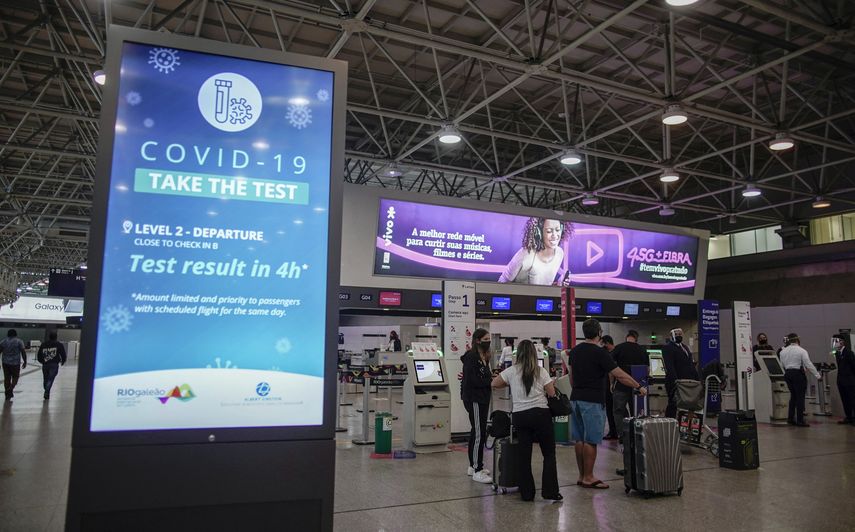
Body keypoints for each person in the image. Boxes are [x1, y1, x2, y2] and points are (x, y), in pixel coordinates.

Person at [567, 319, 647, 489]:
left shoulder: (574, 351)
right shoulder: (600, 353)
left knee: (580, 440)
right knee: (591, 440)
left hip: (575, 398)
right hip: (593, 400)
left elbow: (571, 378)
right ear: (599, 333)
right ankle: (589, 476)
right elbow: (619, 374)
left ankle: (582, 476)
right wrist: (638, 386)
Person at [491, 340, 561, 502]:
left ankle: (527, 493)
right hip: (541, 415)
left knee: (524, 455)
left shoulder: (511, 371)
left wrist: (508, 382)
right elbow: (551, 393)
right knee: (549, 454)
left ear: (518, 354)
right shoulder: (541, 371)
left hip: (521, 416)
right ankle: (550, 492)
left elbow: (494, 384)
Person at [460, 328, 493, 484]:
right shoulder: (472, 357)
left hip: (483, 398)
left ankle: (473, 466)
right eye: (486, 339)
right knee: (479, 433)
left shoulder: (484, 357)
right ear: (478, 340)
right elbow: (473, 381)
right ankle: (477, 469)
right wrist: (491, 381)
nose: (488, 341)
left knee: (477, 431)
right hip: (475, 399)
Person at [498, 217, 572, 285]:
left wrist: (558, 284)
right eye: (549, 231)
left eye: (558, 230)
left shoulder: (559, 254)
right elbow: (502, 281)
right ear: (539, 233)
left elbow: (543, 287)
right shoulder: (527, 253)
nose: (555, 235)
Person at [611, 330, 649, 442]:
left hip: (621, 385)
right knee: (637, 411)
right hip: (638, 386)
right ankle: (637, 434)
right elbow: (647, 369)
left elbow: (611, 368)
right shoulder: (642, 350)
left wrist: (611, 383)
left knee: (618, 410)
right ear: (636, 338)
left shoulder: (618, 348)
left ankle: (622, 436)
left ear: (626, 337)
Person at [779, 333, 820, 427]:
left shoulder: (783, 352)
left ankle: (790, 418)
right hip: (798, 374)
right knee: (800, 397)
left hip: (788, 374)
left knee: (793, 396)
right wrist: (817, 375)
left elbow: (782, 365)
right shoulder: (801, 350)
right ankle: (800, 420)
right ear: (797, 340)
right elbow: (808, 364)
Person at [662, 327, 699, 418]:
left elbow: (690, 364)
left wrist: (696, 379)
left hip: (688, 380)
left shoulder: (685, 347)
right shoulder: (668, 348)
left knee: (688, 404)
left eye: (680, 334)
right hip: (676, 381)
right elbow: (669, 366)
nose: (679, 336)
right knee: (673, 403)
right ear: (671, 336)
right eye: (677, 334)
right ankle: (670, 421)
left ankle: (685, 423)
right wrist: (676, 381)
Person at [832, 334, 855, 426]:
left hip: (849, 380)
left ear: (842, 342)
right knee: (845, 400)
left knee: (852, 400)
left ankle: (854, 418)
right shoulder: (837, 353)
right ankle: (848, 417)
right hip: (841, 381)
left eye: (836, 341)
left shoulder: (849, 353)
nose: (834, 343)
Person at [37, 332, 67, 400]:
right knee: (51, 378)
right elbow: (63, 353)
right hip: (54, 364)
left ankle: (46, 390)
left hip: (45, 364)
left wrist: (41, 361)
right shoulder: (59, 344)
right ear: (56, 337)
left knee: (45, 378)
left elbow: (39, 354)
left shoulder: (43, 344)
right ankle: (47, 391)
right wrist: (63, 360)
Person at [1, 329, 27, 400]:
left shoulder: (3, 341)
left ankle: (7, 394)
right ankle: (11, 388)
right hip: (15, 363)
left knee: (7, 378)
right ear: (15, 334)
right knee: (15, 377)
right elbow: (23, 352)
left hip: (5, 362)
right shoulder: (19, 341)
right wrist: (25, 361)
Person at [601, 335, 618, 440]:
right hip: (616, 384)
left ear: (607, 343)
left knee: (612, 408)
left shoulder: (610, 354)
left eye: (603, 343)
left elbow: (611, 371)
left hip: (611, 385)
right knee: (615, 408)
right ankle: (615, 430)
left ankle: (614, 431)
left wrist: (611, 383)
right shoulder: (616, 352)